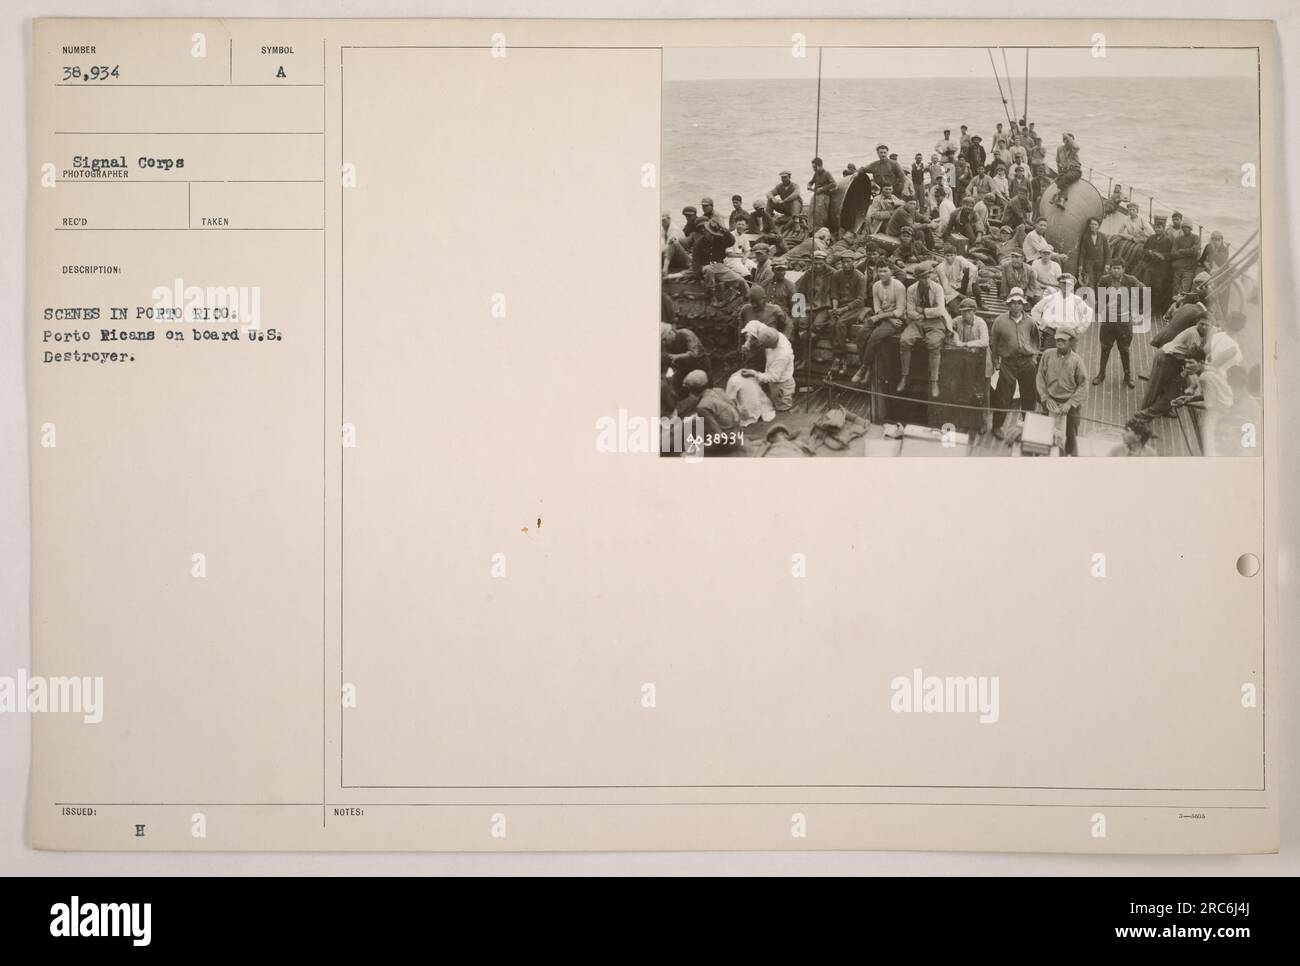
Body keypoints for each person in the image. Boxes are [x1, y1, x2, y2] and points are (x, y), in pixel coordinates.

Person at [897, 264, 953, 398]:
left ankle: (934, 381)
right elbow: (910, 312)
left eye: (928, 277)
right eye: (923, 278)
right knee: (904, 341)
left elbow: (940, 310)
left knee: (933, 343)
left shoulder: (937, 288)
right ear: (917, 279)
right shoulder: (911, 289)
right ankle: (905, 376)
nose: (927, 280)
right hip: (917, 321)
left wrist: (923, 311)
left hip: (936, 321)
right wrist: (921, 316)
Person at [989, 287, 1040, 435]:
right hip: (1008, 363)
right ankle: (997, 427)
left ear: (1023, 304)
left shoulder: (1030, 322)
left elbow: (1036, 340)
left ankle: (1029, 426)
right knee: (1002, 396)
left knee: (1029, 396)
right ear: (1008, 304)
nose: (1016, 306)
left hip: (1027, 363)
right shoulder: (1000, 321)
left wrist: (1034, 358)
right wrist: (996, 362)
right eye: (1013, 303)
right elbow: (994, 342)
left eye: (1019, 303)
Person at [1139, 319, 1212, 417]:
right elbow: (1191, 358)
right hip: (1166, 357)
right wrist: (1188, 376)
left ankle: (1165, 410)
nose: (1203, 327)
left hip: (1175, 360)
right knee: (1155, 386)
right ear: (1196, 323)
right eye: (1201, 324)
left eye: (1206, 325)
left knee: (1171, 388)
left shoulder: (1206, 333)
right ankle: (1143, 412)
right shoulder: (1193, 334)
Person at [852, 263, 907, 384]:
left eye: (885, 271)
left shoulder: (898, 286)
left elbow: (899, 310)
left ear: (891, 272)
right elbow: (877, 307)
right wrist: (883, 317)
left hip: (897, 319)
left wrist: (883, 317)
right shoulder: (876, 286)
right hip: (883, 316)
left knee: (875, 336)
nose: (882, 274)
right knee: (861, 334)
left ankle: (863, 368)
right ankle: (868, 368)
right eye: (880, 271)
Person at [1092, 260, 1144, 388]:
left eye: (1118, 268)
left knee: (1124, 349)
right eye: (1113, 268)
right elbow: (1100, 297)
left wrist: (1139, 309)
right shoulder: (1104, 280)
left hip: (1124, 321)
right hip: (1109, 320)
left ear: (1123, 269)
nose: (1116, 270)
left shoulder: (1131, 281)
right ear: (1110, 269)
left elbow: (1143, 290)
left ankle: (1127, 376)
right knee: (1105, 348)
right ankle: (1101, 374)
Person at [1036, 329, 1088, 455]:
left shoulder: (1077, 361)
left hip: (1069, 406)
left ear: (1070, 342)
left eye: (1063, 340)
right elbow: (1040, 377)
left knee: (1071, 434)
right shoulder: (1047, 354)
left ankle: (1069, 455)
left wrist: (1070, 403)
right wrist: (1046, 397)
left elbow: (1083, 384)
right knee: (1046, 432)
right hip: (1049, 402)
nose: (1059, 343)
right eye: (1057, 339)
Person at [951, 296, 992, 433]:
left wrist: (964, 344)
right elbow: (949, 328)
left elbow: (985, 341)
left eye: (968, 311)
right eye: (963, 311)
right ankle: (965, 422)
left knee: (983, 395)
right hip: (967, 364)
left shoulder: (981, 323)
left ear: (974, 311)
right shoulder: (957, 320)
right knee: (965, 392)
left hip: (982, 364)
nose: (965, 314)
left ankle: (983, 423)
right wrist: (955, 336)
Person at [826, 253, 869, 376]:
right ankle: (841, 355)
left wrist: (843, 310)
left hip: (855, 307)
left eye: (849, 261)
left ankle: (838, 357)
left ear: (853, 262)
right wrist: (835, 309)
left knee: (840, 324)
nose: (846, 264)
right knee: (830, 324)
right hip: (840, 306)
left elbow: (860, 299)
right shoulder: (836, 275)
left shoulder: (860, 277)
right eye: (844, 262)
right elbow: (834, 294)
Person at [739, 322, 796, 412]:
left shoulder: (782, 355)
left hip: (781, 384)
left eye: (762, 346)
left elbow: (773, 377)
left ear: (771, 346)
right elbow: (754, 324)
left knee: (782, 407)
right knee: (774, 399)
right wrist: (748, 341)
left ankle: (785, 418)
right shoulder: (770, 333)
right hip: (774, 378)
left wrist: (754, 374)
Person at [793, 249, 835, 363]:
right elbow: (800, 291)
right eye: (815, 263)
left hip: (825, 306)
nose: (817, 266)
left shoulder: (832, 273)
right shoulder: (808, 273)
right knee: (801, 323)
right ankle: (803, 356)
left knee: (816, 326)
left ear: (825, 262)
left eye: (820, 263)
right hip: (809, 305)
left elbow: (836, 293)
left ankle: (806, 357)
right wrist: (797, 309)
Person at [661, 324, 707, 396]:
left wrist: (677, 356)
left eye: (665, 339)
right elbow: (671, 361)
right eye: (662, 340)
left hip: (700, 362)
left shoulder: (686, 333)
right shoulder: (667, 344)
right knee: (678, 384)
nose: (664, 342)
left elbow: (694, 353)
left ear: (670, 333)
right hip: (684, 366)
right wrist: (670, 374)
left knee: (704, 385)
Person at [936, 243, 979, 314]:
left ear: (955, 255)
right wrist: (961, 295)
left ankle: (979, 301)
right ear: (944, 256)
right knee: (957, 311)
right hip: (949, 292)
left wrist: (969, 285)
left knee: (971, 275)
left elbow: (974, 268)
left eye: (951, 255)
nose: (949, 258)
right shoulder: (940, 268)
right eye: (947, 255)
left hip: (958, 285)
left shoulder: (959, 259)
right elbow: (946, 288)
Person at [1076, 217, 1110, 286]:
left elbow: (1107, 252)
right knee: (1089, 282)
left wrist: (1107, 264)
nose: (1093, 226)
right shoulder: (1085, 237)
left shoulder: (1103, 237)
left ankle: (1100, 296)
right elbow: (1082, 252)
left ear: (1098, 226)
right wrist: (1080, 265)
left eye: (1095, 224)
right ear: (1089, 225)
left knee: (1100, 282)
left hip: (1100, 264)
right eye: (1091, 224)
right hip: (1089, 263)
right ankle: (1091, 296)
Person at [1051, 133, 1082, 209]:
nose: (1068, 142)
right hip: (1065, 171)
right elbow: (1058, 161)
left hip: (1075, 170)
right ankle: (1057, 196)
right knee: (1059, 180)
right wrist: (1059, 173)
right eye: (1066, 140)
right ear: (1063, 141)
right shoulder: (1060, 149)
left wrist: (1067, 136)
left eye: (1070, 140)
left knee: (1065, 179)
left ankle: (1060, 199)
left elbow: (1077, 147)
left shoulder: (1073, 149)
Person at [1170, 221, 1201, 297]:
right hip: (1178, 268)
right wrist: (1187, 253)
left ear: (1190, 229)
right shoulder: (1178, 239)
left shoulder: (1195, 238)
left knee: (1184, 291)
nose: (1185, 229)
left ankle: (1181, 305)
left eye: (1187, 227)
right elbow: (1173, 253)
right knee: (1175, 291)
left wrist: (1181, 251)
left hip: (1189, 269)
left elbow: (1194, 251)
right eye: (1183, 227)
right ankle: (1174, 306)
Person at [807, 157, 836, 229]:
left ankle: (820, 229)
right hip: (816, 195)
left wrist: (822, 189)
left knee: (820, 213)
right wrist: (809, 185)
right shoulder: (816, 174)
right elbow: (811, 182)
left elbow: (834, 184)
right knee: (811, 212)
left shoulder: (827, 173)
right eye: (813, 167)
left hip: (824, 196)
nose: (814, 169)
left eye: (815, 167)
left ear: (820, 165)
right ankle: (811, 229)